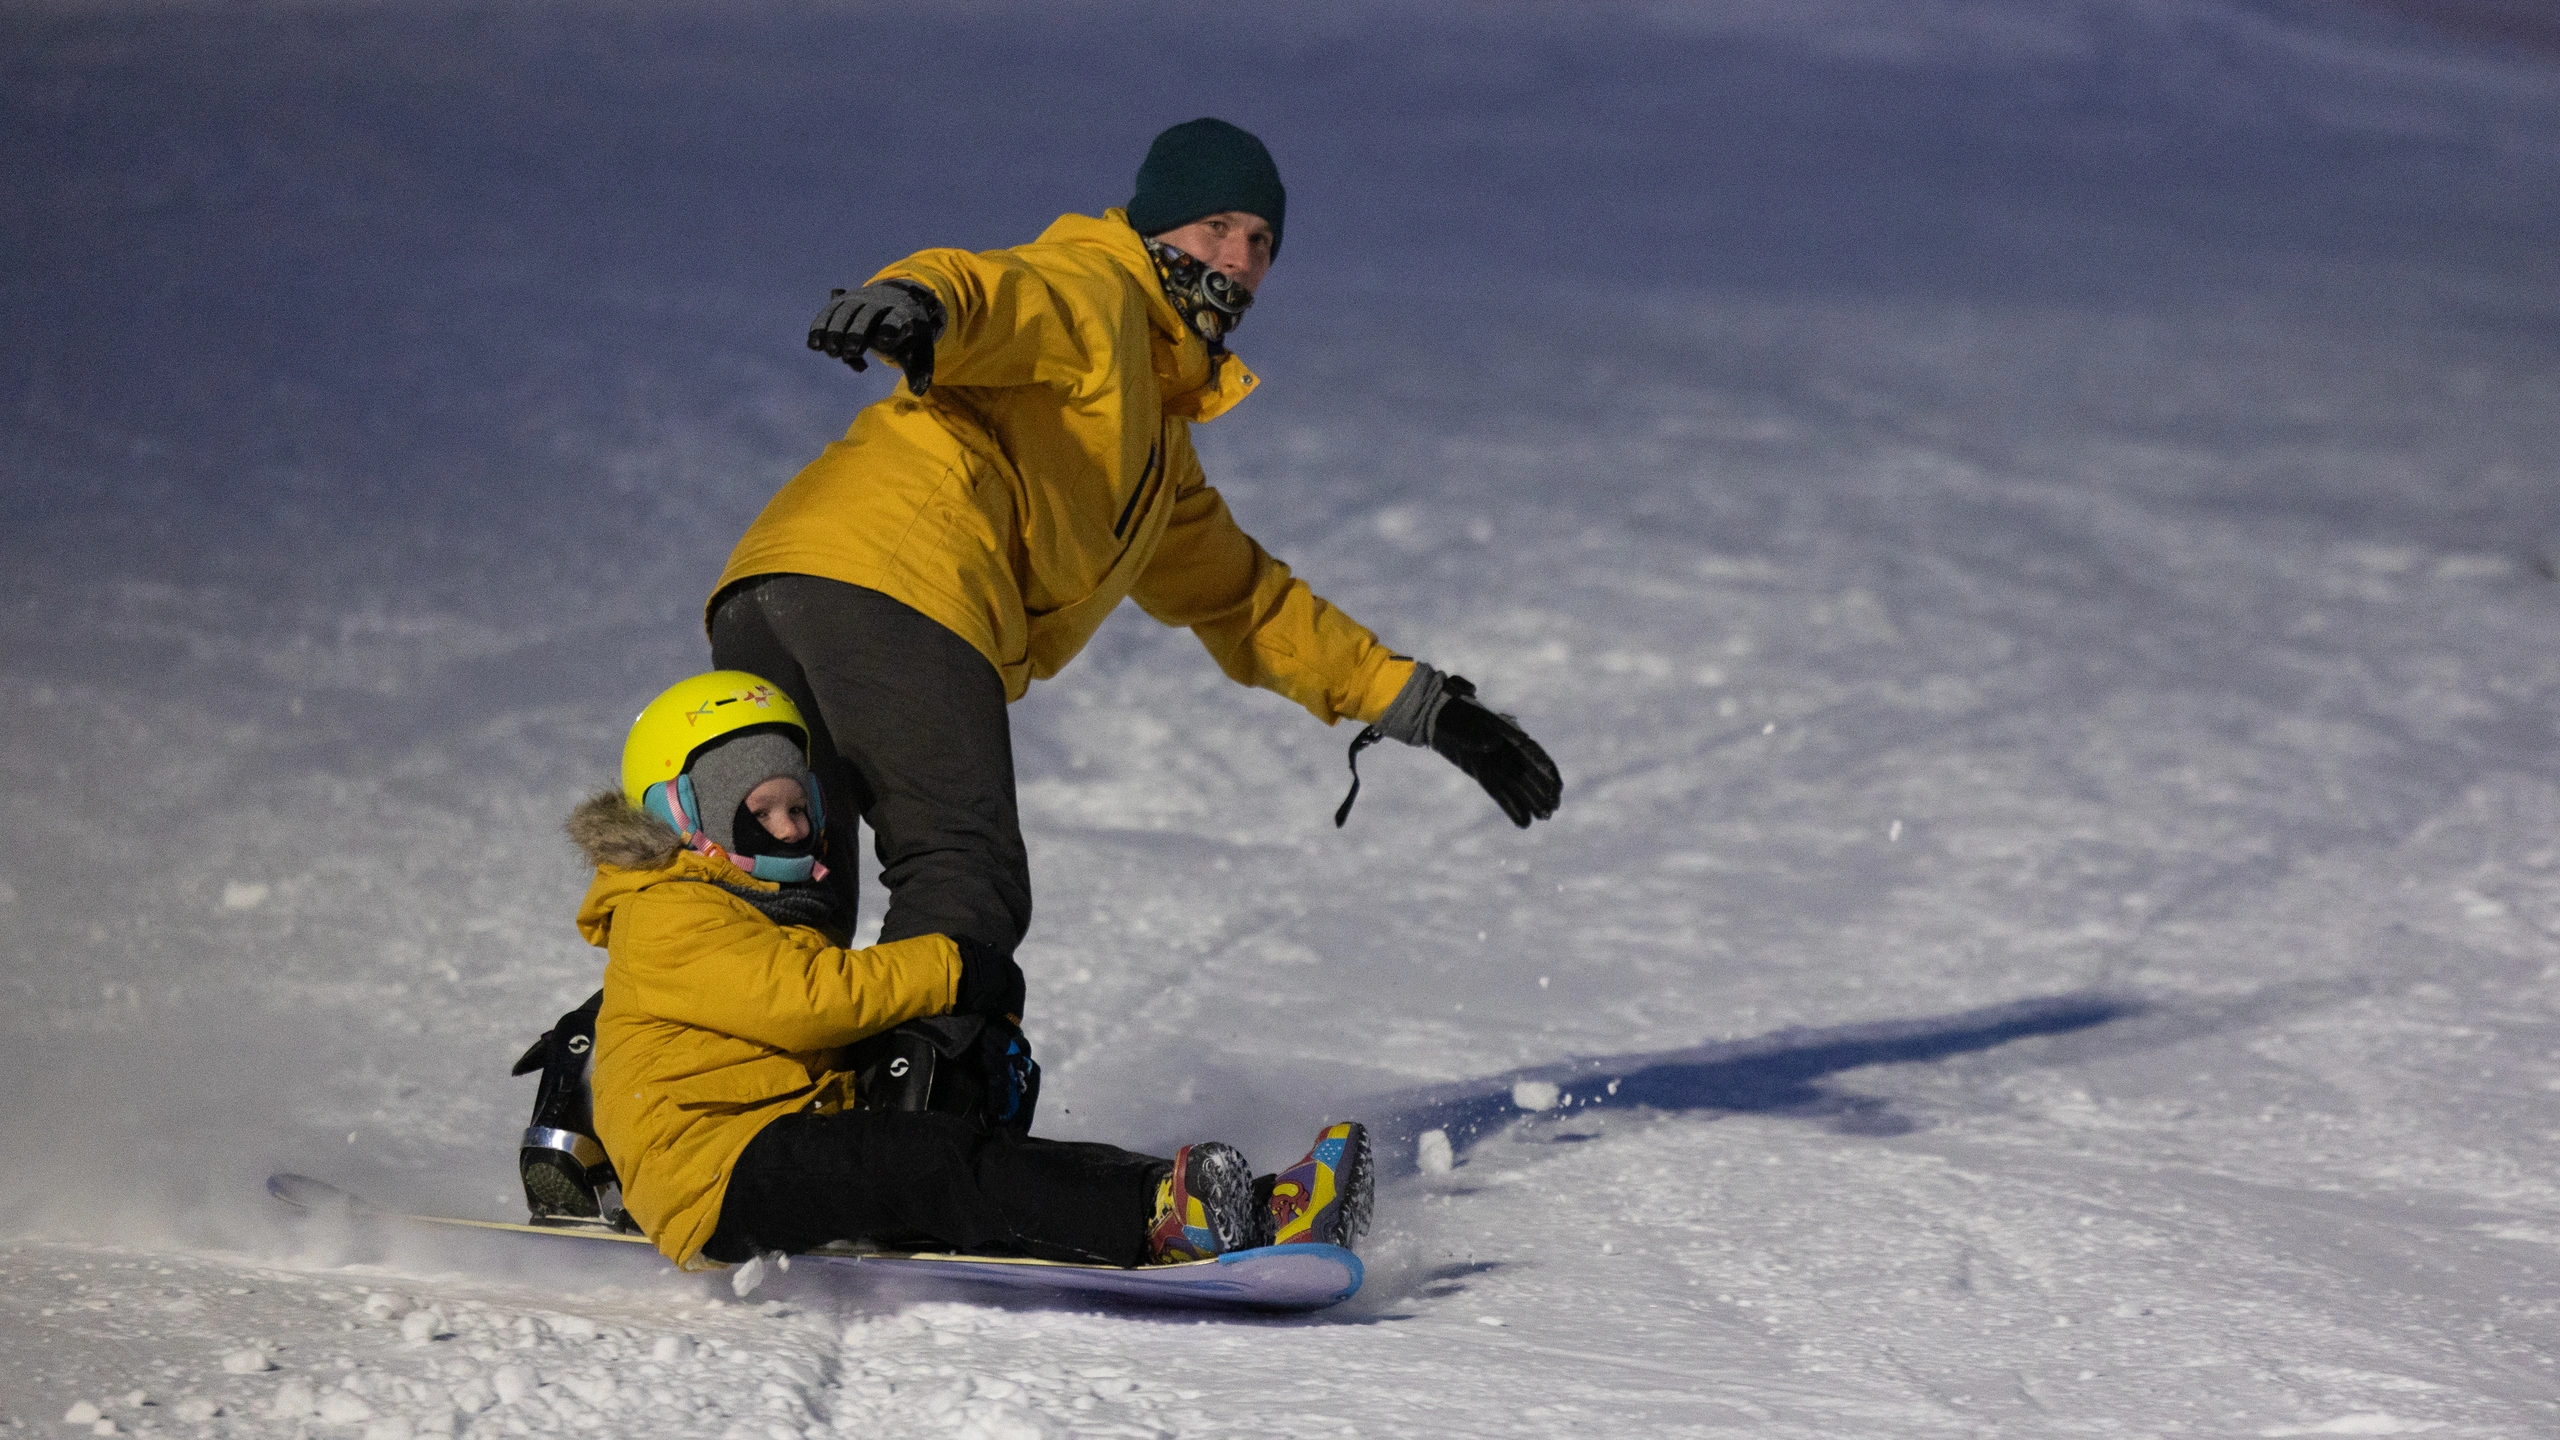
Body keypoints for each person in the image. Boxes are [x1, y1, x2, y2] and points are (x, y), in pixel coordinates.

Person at [706, 116, 1563, 966]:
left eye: (1261, 241)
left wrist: (1424, 705)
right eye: (1216, 227)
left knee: (789, 885)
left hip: (771, 589)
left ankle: (695, 1084)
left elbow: (1247, 601)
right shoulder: (1103, 293)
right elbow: (1003, 290)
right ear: (1156, 226)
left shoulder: (1152, 458)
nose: (1238, 258)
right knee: (963, 876)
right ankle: (916, 1103)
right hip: (896, 585)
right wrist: (917, 304)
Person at [543, 669, 1370, 1271]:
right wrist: (952, 967)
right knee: (926, 1164)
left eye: (800, 808)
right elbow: (803, 1005)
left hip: (765, 1144)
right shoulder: (666, 908)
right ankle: (1167, 1214)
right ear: (683, 816)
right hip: (714, 1174)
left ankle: (1251, 1208)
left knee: (947, 1148)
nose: (791, 830)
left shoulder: (747, 907)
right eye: (761, 812)